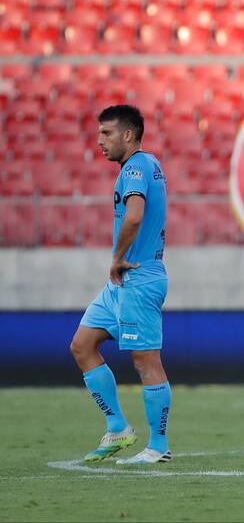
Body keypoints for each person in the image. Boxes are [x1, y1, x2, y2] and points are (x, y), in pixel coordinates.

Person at [69, 105, 172, 464]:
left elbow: (134, 216)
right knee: (82, 345)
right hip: (121, 283)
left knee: (146, 361)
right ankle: (117, 427)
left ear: (128, 135)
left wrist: (117, 257)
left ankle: (158, 446)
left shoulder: (136, 168)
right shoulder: (147, 164)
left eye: (106, 133)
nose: (99, 141)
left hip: (138, 279)